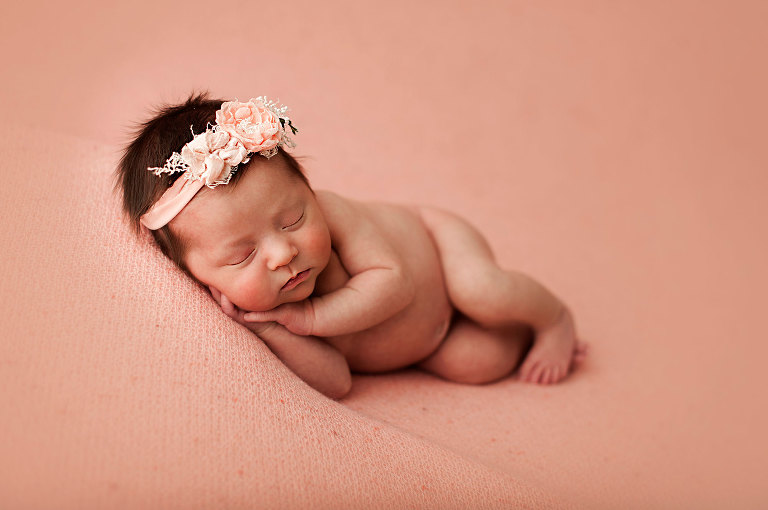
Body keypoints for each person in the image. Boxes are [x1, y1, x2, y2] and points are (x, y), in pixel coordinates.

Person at [115, 92, 587, 399]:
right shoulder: (268, 317)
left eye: (295, 219)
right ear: (198, 275)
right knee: (477, 364)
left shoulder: (334, 213)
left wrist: (310, 319)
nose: (283, 254)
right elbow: (337, 383)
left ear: (309, 191)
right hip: (427, 341)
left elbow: (395, 284)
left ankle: (553, 318)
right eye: (242, 256)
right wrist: (276, 330)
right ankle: (519, 335)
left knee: (481, 289)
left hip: (435, 245)